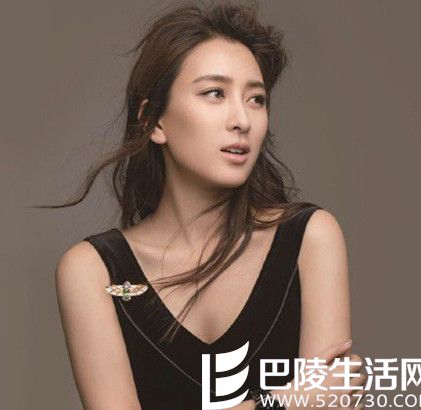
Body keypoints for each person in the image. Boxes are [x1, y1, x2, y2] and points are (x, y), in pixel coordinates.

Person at [53, 1, 365, 409]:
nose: (242, 120)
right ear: (153, 121)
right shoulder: (94, 270)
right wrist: (286, 401)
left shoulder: (309, 239)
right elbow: (311, 400)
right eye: (215, 93)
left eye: (256, 99)